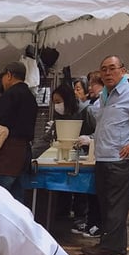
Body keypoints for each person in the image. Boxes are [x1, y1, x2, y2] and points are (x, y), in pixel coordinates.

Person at [81, 56, 129, 255]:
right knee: (107, 203)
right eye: (104, 69)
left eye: (112, 68)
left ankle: (110, 246)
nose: (107, 73)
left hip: (121, 160)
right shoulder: (104, 96)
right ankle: (116, 244)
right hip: (104, 156)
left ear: (122, 71)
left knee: (115, 204)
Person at [0, 61, 38, 204]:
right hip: (24, 154)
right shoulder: (31, 97)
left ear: (9, 75)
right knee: (17, 200)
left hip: (8, 155)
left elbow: (1, 129)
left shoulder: (9, 95)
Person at [45, 81, 96, 227]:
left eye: (58, 101)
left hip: (86, 158)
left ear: (67, 100)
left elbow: (102, 132)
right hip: (66, 156)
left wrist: (90, 139)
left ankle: (83, 217)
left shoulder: (87, 111)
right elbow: (48, 137)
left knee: (82, 189)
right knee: (63, 188)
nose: (56, 105)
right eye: (54, 102)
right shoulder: (60, 114)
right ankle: (63, 214)